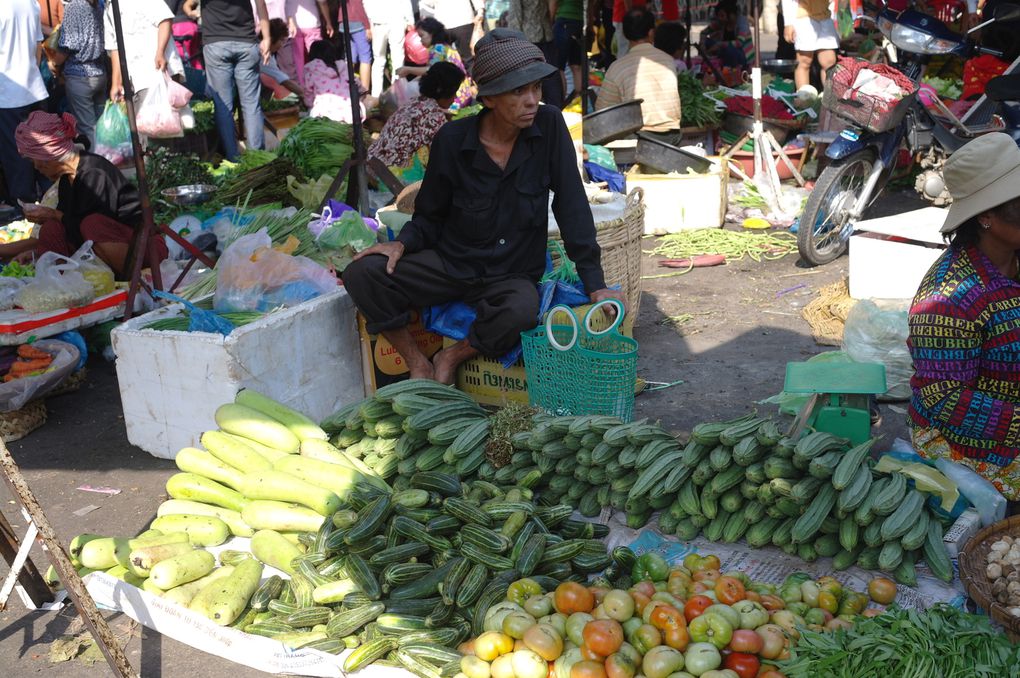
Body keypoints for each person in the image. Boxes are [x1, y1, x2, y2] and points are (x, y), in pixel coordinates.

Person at [343, 29, 624, 384]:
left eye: (536, 88)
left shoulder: (550, 125)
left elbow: (572, 206)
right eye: (518, 91)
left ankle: (452, 354)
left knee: (522, 310)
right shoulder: (452, 140)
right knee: (362, 273)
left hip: (513, 274)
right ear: (489, 98)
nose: (532, 100)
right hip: (452, 264)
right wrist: (402, 243)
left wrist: (594, 282)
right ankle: (417, 362)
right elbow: (430, 215)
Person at [907, 133, 1020, 500]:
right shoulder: (948, 299)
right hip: (968, 438)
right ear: (986, 216)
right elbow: (944, 397)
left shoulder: (1013, 256)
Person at [12, 112, 168, 276]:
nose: (36, 167)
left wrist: (54, 214)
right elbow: (69, 228)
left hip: (143, 248)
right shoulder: (67, 179)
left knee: (91, 224)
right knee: (51, 228)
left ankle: (129, 280)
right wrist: (37, 253)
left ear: (48, 155)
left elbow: (94, 228)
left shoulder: (94, 172)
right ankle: (61, 286)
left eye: (33, 160)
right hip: (104, 250)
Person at [186, 0, 272, 161]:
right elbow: (261, 4)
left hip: (216, 44)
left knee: (222, 105)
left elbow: (188, 4)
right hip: (246, 42)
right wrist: (266, 37)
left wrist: (192, 12)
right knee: (251, 104)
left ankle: (232, 158)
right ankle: (258, 157)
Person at [596, 9, 682, 143]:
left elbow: (602, 111)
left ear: (624, 34)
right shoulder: (667, 61)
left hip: (639, 139)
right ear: (651, 32)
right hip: (673, 137)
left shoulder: (617, 67)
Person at [368, 61, 464, 181]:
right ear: (442, 90)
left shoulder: (414, 102)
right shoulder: (434, 117)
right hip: (388, 178)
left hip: (371, 166)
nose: (455, 98)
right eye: (454, 92)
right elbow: (447, 154)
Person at [1, 0, 50, 208]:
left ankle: (24, 207)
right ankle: (51, 199)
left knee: (17, 154)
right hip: (34, 86)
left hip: (8, 93)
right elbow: (38, 46)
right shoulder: (31, 2)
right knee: (42, 149)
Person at [50, 0, 106, 149]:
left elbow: (68, 45)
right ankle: (109, 161)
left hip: (80, 76)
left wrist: (54, 63)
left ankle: (98, 166)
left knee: (88, 130)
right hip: (100, 72)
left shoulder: (74, 7)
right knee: (102, 128)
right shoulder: (99, 5)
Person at [106, 0, 185, 104]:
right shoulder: (109, 8)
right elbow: (114, 47)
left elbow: (165, 20)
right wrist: (116, 82)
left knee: (166, 115)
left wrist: (160, 52)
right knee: (146, 117)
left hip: (157, 70)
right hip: (135, 79)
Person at [396, 18, 477, 111]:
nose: (420, 40)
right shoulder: (443, 46)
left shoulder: (437, 49)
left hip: (454, 97)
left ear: (432, 34)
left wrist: (408, 69)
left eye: (421, 36)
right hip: (463, 94)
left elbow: (431, 70)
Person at [508, 0, 563, 108]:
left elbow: (515, 16)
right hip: (545, 35)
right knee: (551, 78)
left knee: (531, 80)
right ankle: (555, 110)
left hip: (529, 38)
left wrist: (513, 43)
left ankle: (543, 112)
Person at [302, 40, 365, 122]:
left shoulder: (311, 67)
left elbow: (308, 96)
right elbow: (359, 87)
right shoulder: (343, 66)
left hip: (323, 115)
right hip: (351, 113)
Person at [781, 0, 838, 90]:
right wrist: (788, 23)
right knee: (804, 61)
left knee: (829, 61)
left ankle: (830, 98)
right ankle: (803, 99)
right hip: (802, 17)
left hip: (825, 15)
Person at [365, 0, 414, 98]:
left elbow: (366, 3)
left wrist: (369, 24)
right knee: (397, 59)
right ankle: (397, 94)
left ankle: (376, 95)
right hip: (396, 19)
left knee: (378, 60)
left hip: (378, 21)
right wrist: (410, 20)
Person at [285, 0, 334, 87]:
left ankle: (302, 89)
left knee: (298, 60)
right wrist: (328, 22)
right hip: (311, 22)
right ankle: (321, 85)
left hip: (294, 23)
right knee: (318, 57)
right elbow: (322, 2)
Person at [425, 0, 482, 69]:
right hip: (464, 19)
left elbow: (428, 2)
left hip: (443, 22)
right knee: (469, 59)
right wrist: (480, 12)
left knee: (442, 58)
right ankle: (472, 78)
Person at [700, 0, 754, 70]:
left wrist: (720, 44)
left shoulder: (742, 22)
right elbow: (703, 33)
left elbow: (740, 42)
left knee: (729, 49)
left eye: (722, 15)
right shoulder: (721, 22)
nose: (720, 18)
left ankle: (731, 70)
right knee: (707, 42)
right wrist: (703, 47)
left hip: (743, 56)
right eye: (718, 16)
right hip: (724, 52)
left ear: (731, 14)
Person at [261, 18, 305, 99]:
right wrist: (305, 95)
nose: (282, 45)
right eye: (281, 40)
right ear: (272, 38)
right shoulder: (262, 53)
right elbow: (284, 80)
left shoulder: (265, 52)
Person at [551, 0, 584, 105]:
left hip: (563, 21)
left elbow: (553, 2)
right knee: (576, 65)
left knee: (559, 67)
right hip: (579, 21)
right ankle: (579, 101)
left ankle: (561, 104)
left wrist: (550, 22)